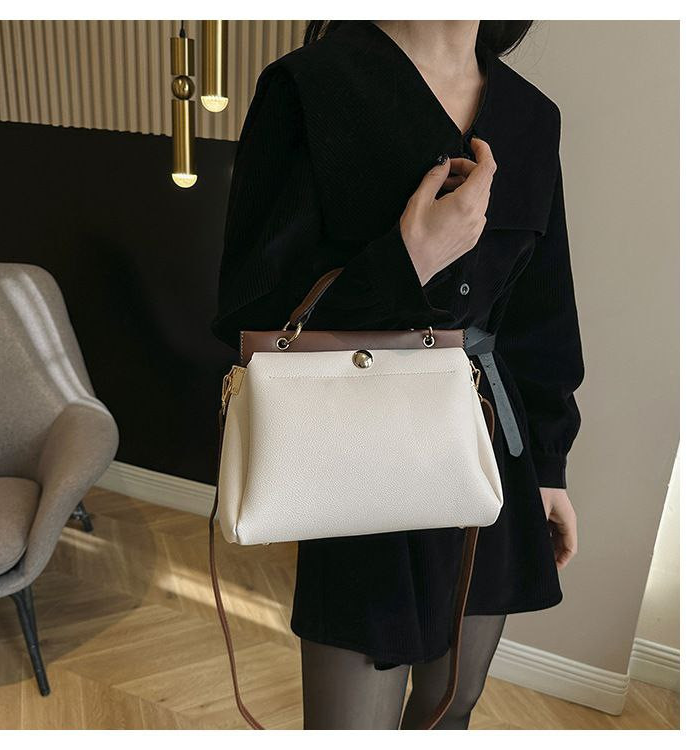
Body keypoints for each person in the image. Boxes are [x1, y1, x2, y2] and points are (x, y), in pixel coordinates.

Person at [210, 20, 585, 730]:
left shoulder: (531, 116)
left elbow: (543, 312)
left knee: (452, 707)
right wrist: (408, 260)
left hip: (487, 450)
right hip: (357, 454)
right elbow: (251, 310)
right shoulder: (309, 87)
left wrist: (549, 465)